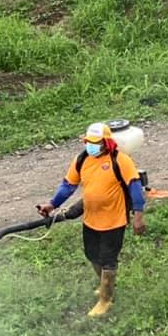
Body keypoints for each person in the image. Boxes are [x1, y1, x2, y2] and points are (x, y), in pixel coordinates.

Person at [38, 122, 146, 317]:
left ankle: (105, 300)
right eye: (88, 142)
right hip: (91, 219)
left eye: (95, 143)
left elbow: (134, 187)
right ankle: (106, 284)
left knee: (108, 259)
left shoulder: (120, 160)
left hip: (114, 220)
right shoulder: (82, 160)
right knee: (92, 255)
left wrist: (138, 216)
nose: (91, 146)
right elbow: (68, 186)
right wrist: (52, 204)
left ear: (106, 143)